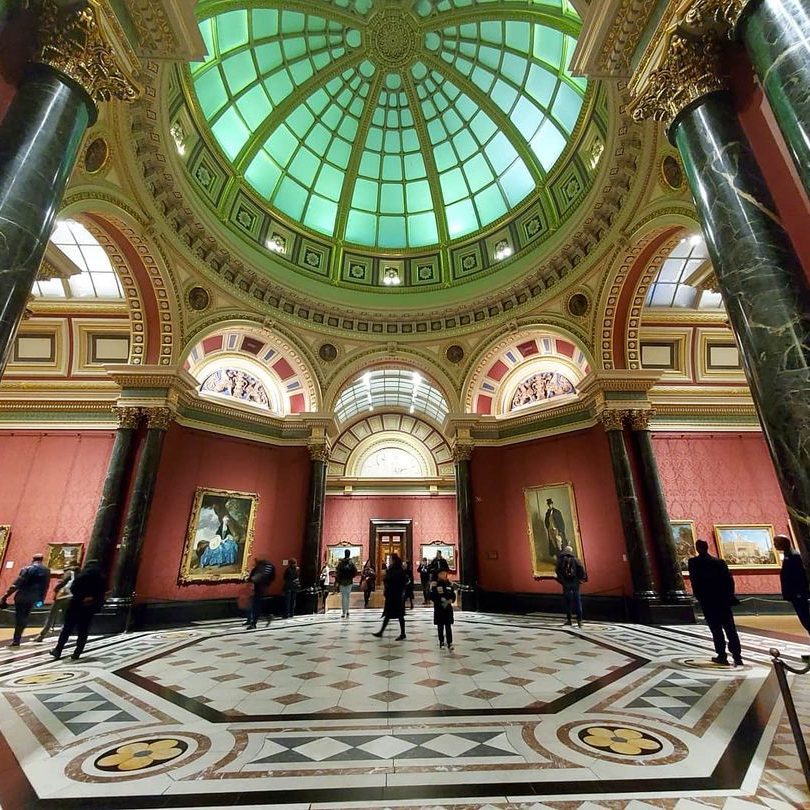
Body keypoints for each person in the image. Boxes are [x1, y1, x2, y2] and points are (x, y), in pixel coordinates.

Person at [688, 539, 743, 666]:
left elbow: (695, 581)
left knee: (716, 629)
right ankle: (737, 656)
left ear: (697, 548)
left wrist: (699, 597)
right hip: (723, 600)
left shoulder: (694, 562)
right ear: (707, 547)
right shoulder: (719, 562)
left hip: (708, 601)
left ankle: (722, 655)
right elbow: (729, 580)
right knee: (730, 629)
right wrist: (730, 596)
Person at [50, 560, 105, 660]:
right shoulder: (101, 578)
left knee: (67, 628)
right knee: (83, 630)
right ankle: (77, 653)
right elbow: (102, 593)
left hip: (76, 604)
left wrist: (80, 597)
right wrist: (92, 599)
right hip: (89, 607)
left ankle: (58, 649)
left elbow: (73, 588)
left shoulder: (82, 576)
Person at [0, 553, 50, 647]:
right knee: (25, 616)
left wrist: (5, 596)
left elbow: (17, 584)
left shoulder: (27, 569)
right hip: (34, 597)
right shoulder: (46, 571)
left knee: (20, 618)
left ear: (33, 559)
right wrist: (41, 599)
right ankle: (17, 638)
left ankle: (16, 640)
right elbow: (45, 587)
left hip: (22, 596)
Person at [774, 534, 810, 634]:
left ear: (784, 543)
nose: (774, 545)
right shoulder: (788, 555)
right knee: (804, 618)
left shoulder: (794, 556)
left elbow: (799, 576)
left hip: (798, 594)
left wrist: (799, 593)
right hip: (795, 594)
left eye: (776, 542)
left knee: (806, 619)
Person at [35, 565, 77, 642]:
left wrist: (55, 590)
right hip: (70, 596)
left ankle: (41, 635)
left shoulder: (69, 572)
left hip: (61, 596)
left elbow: (63, 583)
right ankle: (63, 634)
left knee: (51, 615)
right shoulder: (77, 574)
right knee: (65, 616)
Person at [372, 553, 407, 640]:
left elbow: (396, 580)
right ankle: (382, 632)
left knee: (398, 615)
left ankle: (402, 633)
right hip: (392, 595)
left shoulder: (397, 570)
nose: (389, 560)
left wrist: (386, 578)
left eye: (390, 559)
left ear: (393, 560)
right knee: (390, 614)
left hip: (395, 595)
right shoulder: (394, 569)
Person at [554, 545, 587, 627]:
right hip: (575, 583)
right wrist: (579, 579)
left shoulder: (560, 560)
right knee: (577, 601)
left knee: (568, 602)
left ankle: (569, 620)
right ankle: (579, 620)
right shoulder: (575, 559)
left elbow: (557, 571)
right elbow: (582, 569)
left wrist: (562, 581)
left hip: (566, 584)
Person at [430, 568, 457, 649]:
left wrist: (451, 600)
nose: (443, 575)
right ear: (438, 575)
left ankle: (449, 642)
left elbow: (453, 595)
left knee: (448, 625)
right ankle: (441, 641)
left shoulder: (449, 584)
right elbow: (432, 596)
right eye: (441, 573)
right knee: (440, 626)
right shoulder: (436, 584)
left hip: (448, 608)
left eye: (444, 573)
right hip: (439, 608)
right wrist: (439, 599)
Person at [245, 557, 275, 629]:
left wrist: (248, 580)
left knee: (256, 606)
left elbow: (252, 578)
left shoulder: (258, 568)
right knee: (261, 605)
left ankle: (253, 623)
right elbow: (273, 577)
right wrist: (267, 584)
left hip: (258, 589)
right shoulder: (271, 566)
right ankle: (268, 615)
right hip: (265, 589)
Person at [334, 550, 357, 618]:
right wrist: (351, 577)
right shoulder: (351, 563)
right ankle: (347, 610)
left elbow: (337, 572)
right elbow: (355, 572)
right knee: (347, 596)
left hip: (342, 581)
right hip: (349, 581)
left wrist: (338, 580)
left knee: (343, 597)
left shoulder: (341, 563)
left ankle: (344, 611)